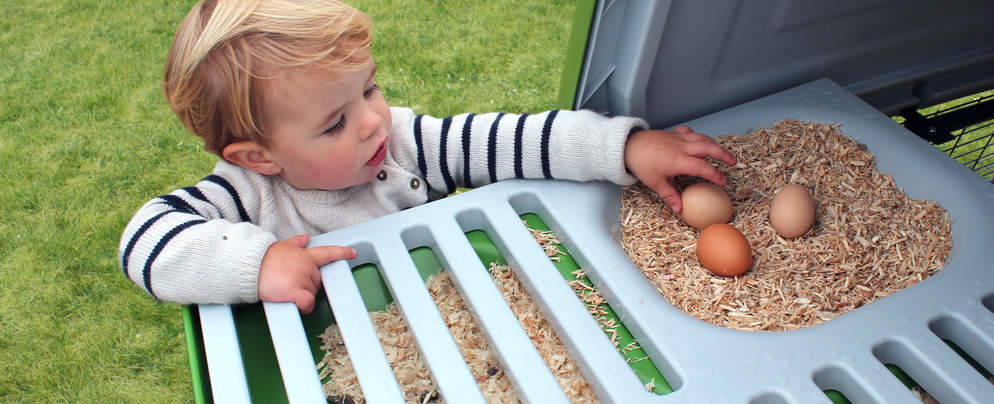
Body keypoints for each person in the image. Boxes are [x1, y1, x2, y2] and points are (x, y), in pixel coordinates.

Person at [119, 0, 735, 313]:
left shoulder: (407, 146)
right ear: (259, 157)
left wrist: (622, 146)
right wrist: (257, 264)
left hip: (458, 322)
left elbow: (518, 139)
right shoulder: (246, 198)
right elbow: (144, 241)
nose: (371, 121)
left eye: (369, 88)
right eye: (335, 123)